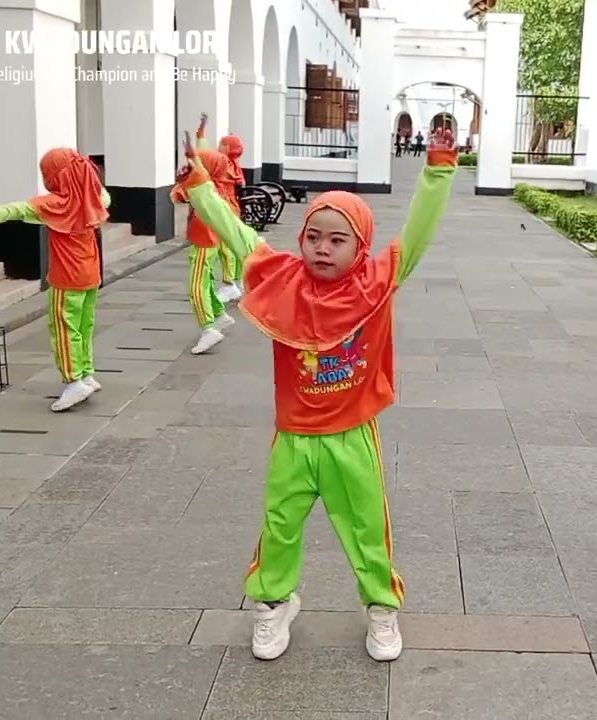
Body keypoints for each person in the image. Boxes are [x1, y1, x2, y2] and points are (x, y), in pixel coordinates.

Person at [178, 126, 458, 663]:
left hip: (353, 435)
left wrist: (439, 167)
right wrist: (198, 185)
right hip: (293, 438)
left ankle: (380, 608)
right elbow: (235, 233)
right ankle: (274, 602)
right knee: (278, 525)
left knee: (366, 526)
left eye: (338, 239)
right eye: (313, 236)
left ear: (361, 244)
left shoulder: (378, 283)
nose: (322, 248)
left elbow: (418, 232)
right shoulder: (281, 276)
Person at [0, 148, 110, 412]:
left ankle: (73, 381)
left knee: (64, 330)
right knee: (84, 326)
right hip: (91, 277)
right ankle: (87, 373)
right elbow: (104, 194)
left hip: (66, 281)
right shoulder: (95, 199)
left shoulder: (54, 204)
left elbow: (17, 209)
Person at [170, 132, 237, 354]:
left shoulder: (206, 188)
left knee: (196, 286)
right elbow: (200, 165)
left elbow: (194, 177)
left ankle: (208, 328)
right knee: (206, 279)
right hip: (210, 240)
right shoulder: (216, 184)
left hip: (204, 240)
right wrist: (192, 150)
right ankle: (219, 315)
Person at [214, 127, 247, 304]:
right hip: (232, 207)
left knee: (225, 247)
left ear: (227, 147)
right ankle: (240, 280)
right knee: (235, 245)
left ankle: (229, 283)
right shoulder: (235, 164)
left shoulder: (222, 163)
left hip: (224, 208)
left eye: (221, 143)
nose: (217, 146)